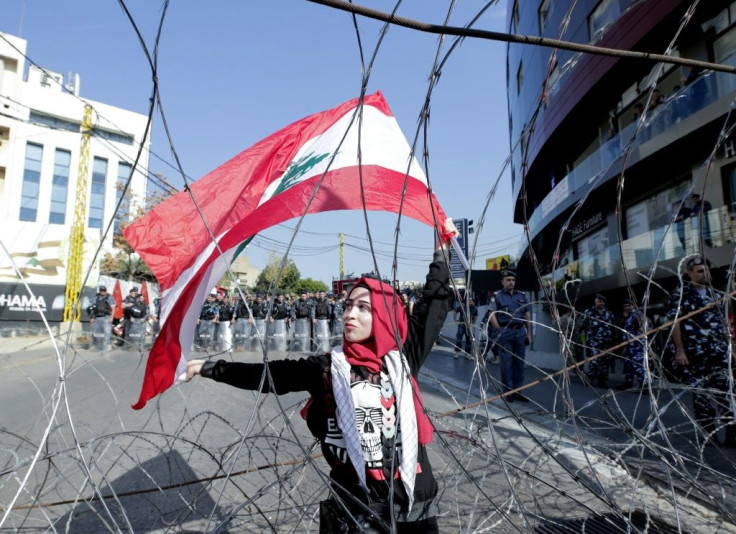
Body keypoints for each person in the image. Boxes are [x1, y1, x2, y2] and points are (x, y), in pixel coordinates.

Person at [185, 219, 457, 532]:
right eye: (348, 306)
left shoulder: (402, 358)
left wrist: (441, 249)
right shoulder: (328, 368)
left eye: (363, 308)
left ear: (383, 316)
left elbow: (433, 303)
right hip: (356, 508)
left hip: (414, 504)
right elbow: (268, 375)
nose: (349, 314)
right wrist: (207, 367)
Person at [669, 256, 736, 447]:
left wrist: (731, 348)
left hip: (718, 353)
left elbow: (724, 324)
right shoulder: (681, 294)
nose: (704, 273)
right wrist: (680, 351)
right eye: (700, 271)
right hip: (695, 355)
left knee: (727, 395)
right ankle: (709, 435)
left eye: (706, 270)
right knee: (702, 397)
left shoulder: (715, 294)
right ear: (689, 273)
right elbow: (675, 323)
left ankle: (732, 434)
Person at [488, 270, 532, 401]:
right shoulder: (497, 296)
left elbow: (527, 314)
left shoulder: (522, 296)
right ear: (502, 281)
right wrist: (499, 331)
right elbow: (492, 315)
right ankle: (508, 393)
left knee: (519, 362)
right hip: (505, 332)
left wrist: (529, 332)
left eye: (513, 280)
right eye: (508, 280)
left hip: (520, 332)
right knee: (506, 363)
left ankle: (517, 391)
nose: (511, 282)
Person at [581, 294, 616, 388]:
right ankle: (589, 380)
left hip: (607, 343)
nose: (602, 303)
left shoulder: (609, 313)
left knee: (605, 363)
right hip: (594, 342)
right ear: (595, 302)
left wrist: (613, 342)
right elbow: (582, 326)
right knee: (594, 361)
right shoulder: (588, 312)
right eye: (599, 301)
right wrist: (584, 340)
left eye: (603, 301)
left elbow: (614, 328)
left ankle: (602, 381)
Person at [616, 299, 648, 392]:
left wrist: (637, 339)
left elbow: (643, 328)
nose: (627, 308)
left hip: (636, 345)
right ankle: (628, 383)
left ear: (633, 305)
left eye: (629, 305)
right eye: (625, 306)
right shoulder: (628, 316)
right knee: (628, 365)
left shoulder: (637, 314)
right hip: (629, 345)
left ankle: (644, 385)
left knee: (637, 365)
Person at [88, 285, 116, 351]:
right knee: (96, 332)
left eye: (104, 291)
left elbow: (113, 308)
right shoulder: (95, 297)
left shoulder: (109, 297)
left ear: (106, 291)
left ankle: (108, 345)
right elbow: (92, 308)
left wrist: (111, 317)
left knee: (107, 332)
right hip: (97, 317)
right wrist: (92, 317)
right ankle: (96, 345)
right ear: (100, 291)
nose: (103, 292)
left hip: (106, 317)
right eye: (101, 291)